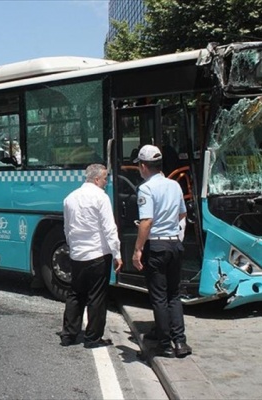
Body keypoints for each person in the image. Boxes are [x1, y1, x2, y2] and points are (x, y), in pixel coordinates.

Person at [131, 145, 191, 358]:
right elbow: (182, 215)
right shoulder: (174, 185)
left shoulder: (146, 189)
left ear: (144, 166)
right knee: (174, 295)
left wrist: (137, 250)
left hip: (156, 247)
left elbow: (146, 221)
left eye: (139, 165)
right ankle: (180, 342)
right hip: (175, 244)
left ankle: (164, 345)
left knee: (159, 297)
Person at [60, 164, 123, 348]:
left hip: (77, 255)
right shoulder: (101, 197)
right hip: (97, 254)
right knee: (96, 296)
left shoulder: (69, 198)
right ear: (96, 179)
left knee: (75, 294)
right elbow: (109, 228)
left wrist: (72, 248)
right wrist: (117, 253)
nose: (106, 182)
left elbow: (67, 228)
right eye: (105, 179)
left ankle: (68, 335)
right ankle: (92, 338)